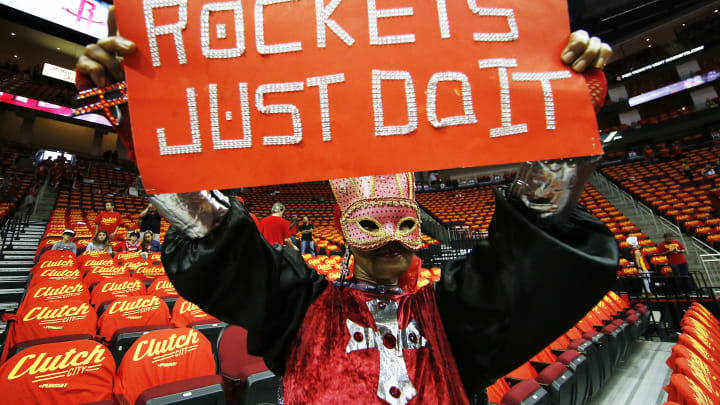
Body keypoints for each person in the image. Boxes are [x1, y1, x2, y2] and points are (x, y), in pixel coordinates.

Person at [77, 13, 615, 404]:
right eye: (372, 227)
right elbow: (212, 234)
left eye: (404, 226)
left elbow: (528, 260)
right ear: (344, 224)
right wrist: (148, 112)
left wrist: (563, 111)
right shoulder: (296, 309)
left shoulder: (457, 319)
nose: (391, 243)